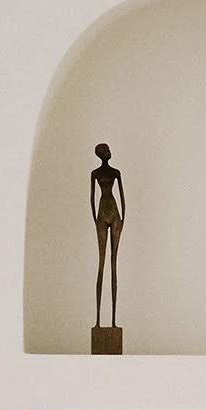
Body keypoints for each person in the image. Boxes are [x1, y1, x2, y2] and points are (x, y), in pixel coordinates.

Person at [90, 143, 126, 335]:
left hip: (111, 212)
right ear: (103, 153)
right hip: (104, 213)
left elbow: (122, 198)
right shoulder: (95, 173)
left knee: (112, 264)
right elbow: (91, 198)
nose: (110, 152)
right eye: (107, 150)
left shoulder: (116, 172)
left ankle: (112, 321)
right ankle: (97, 320)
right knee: (103, 264)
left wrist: (122, 219)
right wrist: (96, 219)